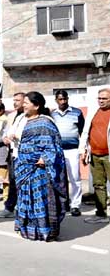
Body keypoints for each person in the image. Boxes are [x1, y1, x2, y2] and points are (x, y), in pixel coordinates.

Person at [14, 91, 66, 241]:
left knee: (40, 201)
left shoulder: (45, 122)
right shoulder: (24, 121)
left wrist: (45, 158)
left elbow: (54, 145)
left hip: (39, 170)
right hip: (24, 168)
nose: (23, 105)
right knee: (25, 200)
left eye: (26, 103)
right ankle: (28, 230)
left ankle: (45, 231)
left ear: (36, 106)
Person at [51, 90, 85, 217]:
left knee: (75, 177)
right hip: (57, 151)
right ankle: (63, 203)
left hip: (73, 150)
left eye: (64, 99)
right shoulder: (52, 114)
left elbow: (83, 132)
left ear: (68, 99)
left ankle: (75, 205)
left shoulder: (77, 113)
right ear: (56, 100)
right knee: (59, 178)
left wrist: (84, 150)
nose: (63, 102)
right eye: (60, 99)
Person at [79, 88, 110, 224]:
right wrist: (83, 150)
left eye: (104, 98)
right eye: (100, 98)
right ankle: (101, 214)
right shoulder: (93, 112)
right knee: (98, 185)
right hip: (95, 154)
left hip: (109, 155)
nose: (101, 101)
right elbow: (85, 132)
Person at [0, 92, 27, 218]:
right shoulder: (12, 115)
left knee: (22, 182)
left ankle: (22, 208)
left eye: (18, 100)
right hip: (12, 152)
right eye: (14, 100)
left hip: (24, 154)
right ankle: (9, 207)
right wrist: (5, 138)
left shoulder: (29, 116)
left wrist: (16, 137)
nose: (15, 102)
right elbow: (6, 132)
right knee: (13, 181)